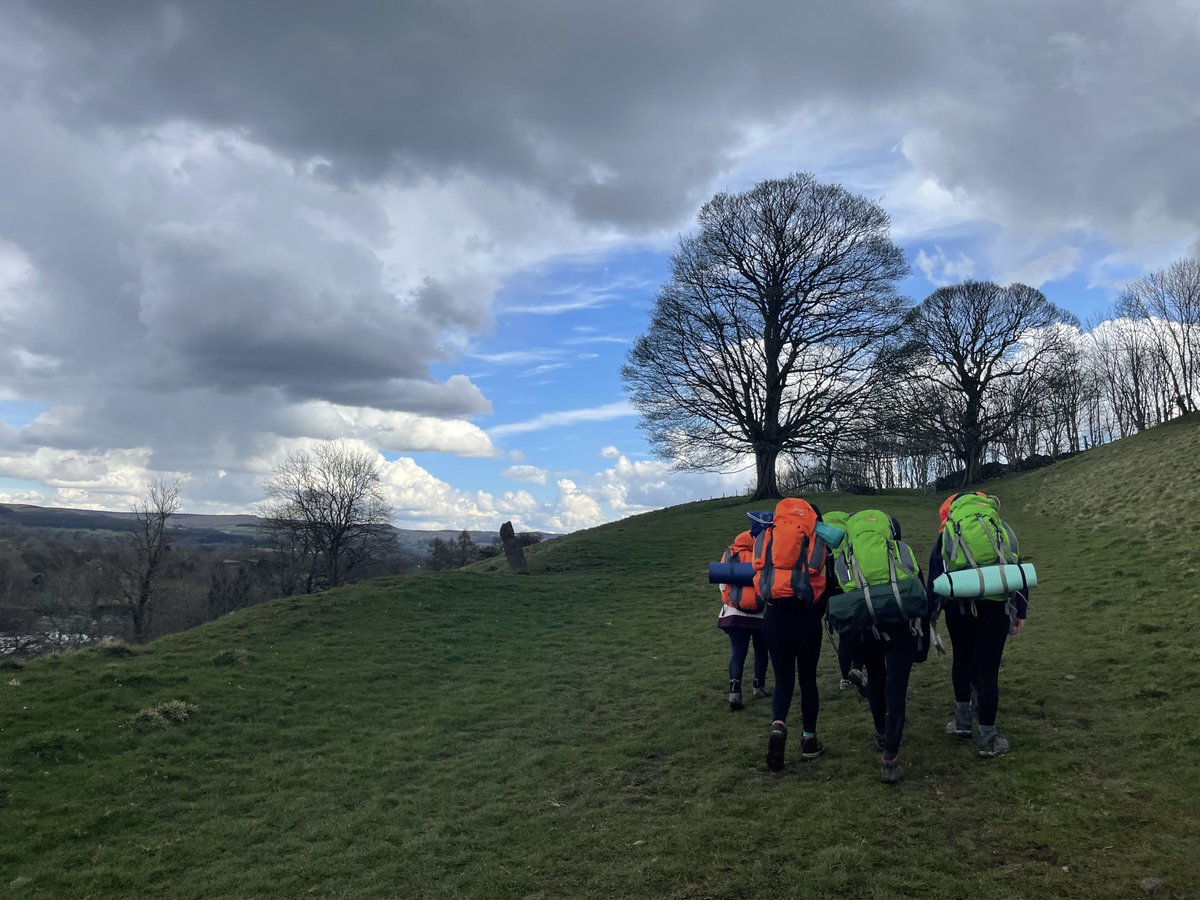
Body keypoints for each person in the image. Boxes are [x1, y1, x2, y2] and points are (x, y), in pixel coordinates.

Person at [827, 509, 930, 783]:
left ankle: (880, 731)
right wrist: (924, 641)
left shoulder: (846, 558)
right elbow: (919, 590)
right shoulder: (902, 551)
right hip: (901, 630)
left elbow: (839, 599)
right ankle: (890, 758)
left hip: (867, 630)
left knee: (875, 679)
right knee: (897, 689)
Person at [928, 492, 1029, 758]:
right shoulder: (1002, 529)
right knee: (988, 671)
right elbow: (1016, 568)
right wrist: (1021, 611)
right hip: (996, 609)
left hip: (958, 608)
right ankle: (988, 738)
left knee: (961, 660)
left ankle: (962, 724)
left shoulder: (948, 532)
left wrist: (931, 614)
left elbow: (935, 575)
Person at [757, 499, 838, 771]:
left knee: (782, 680)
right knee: (807, 680)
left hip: (775, 616)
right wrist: (818, 612)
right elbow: (830, 585)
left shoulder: (770, 533)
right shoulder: (819, 540)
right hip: (806, 619)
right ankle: (808, 740)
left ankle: (778, 725)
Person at [716, 530, 771, 711]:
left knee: (737, 652)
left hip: (734, 614)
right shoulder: (763, 553)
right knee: (761, 651)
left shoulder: (729, 554)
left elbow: (722, 583)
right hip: (761, 613)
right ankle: (758, 686)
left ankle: (734, 690)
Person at [821, 510, 868, 696]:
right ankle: (857, 667)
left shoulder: (825, 536)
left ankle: (845, 678)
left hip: (832, 593)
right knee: (859, 631)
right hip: (852, 589)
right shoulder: (850, 533)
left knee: (843, 636)